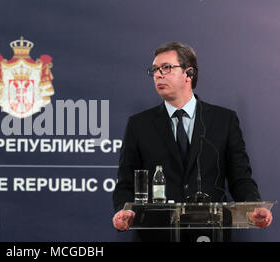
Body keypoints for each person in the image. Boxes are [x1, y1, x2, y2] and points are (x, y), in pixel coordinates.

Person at [112, 42, 273, 241]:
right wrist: (122, 210)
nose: (158, 75)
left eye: (166, 68)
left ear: (189, 74)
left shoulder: (224, 121)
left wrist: (253, 206)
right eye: (154, 70)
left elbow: (240, 178)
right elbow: (125, 183)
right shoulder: (139, 125)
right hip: (157, 236)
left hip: (210, 233)